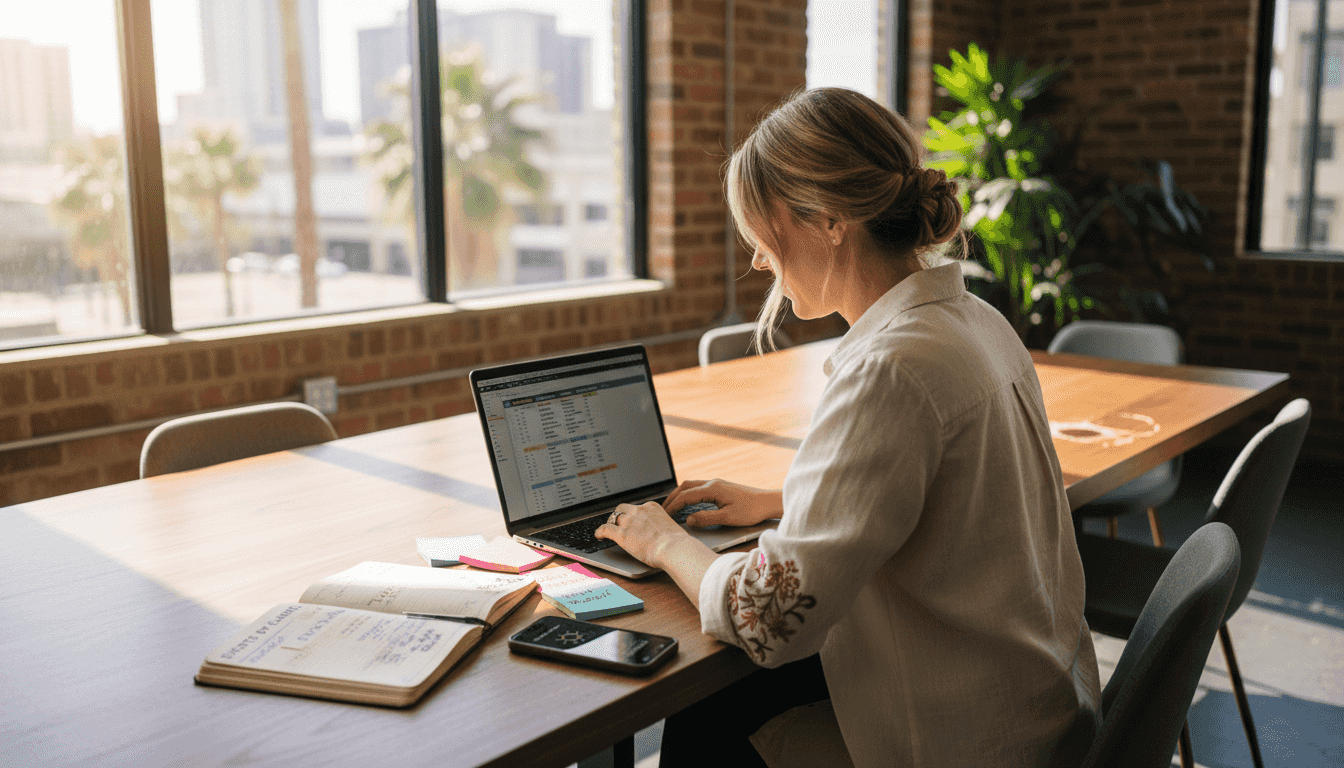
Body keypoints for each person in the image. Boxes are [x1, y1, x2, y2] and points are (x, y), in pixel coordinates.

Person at [595, 87, 1100, 767]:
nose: (756, 259)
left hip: (969, 747)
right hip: (1033, 709)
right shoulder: (977, 321)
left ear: (831, 219)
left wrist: (664, 543)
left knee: (706, 719)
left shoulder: (890, 368)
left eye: (760, 231)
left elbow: (767, 621)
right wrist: (787, 501)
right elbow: (949, 488)